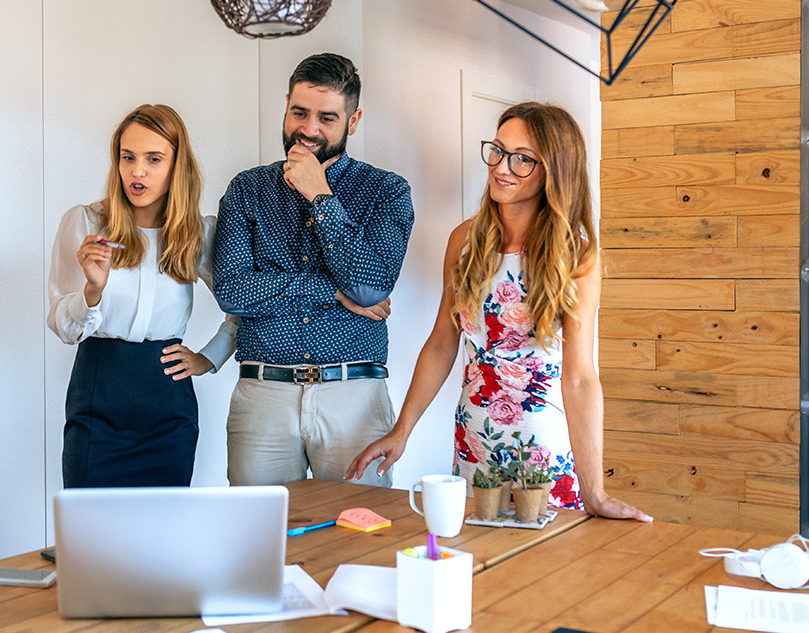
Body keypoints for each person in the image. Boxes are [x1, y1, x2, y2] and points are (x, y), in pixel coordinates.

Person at [345, 102, 651, 522]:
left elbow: (579, 377)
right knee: (479, 565)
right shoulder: (465, 240)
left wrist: (594, 490)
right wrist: (402, 431)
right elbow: (441, 343)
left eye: (523, 159)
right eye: (498, 150)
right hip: (475, 439)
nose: (502, 167)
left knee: (546, 573)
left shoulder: (575, 254)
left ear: (554, 171)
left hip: (543, 447)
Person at [213, 53, 414, 488]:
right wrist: (329, 290)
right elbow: (231, 290)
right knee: (259, 538)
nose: (308, 130)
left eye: (327, 117)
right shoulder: (246, 189)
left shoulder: (387, 191)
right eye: (299, 112)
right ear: (285, 104)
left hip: (355, 397)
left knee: (360, 534)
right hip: (263, 395)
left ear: (354, 120)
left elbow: (368, 286)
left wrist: (321, 195)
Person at [47, 103, 236, 488]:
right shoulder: (86, 223)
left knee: (162, 534)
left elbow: (243, 307)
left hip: (168, 400)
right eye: (127, 157)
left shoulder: (197, 234)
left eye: (154, 159)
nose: (137, 171)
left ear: (176, 166)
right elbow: (64, 328)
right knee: (91, 535)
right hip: (99, 388)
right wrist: (93, 290)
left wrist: (208, 358)